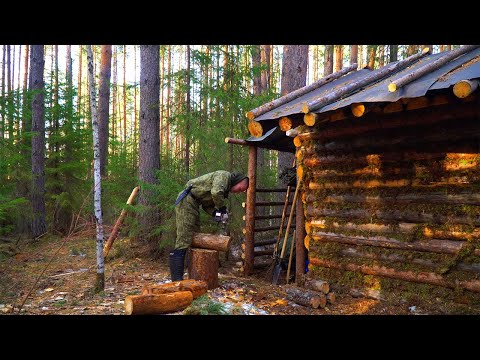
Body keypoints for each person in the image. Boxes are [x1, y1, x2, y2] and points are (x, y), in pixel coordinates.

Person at [169, 170, 249, 281]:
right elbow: (216, 193)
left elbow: (207, 205)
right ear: (237, 181)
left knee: (194, 238)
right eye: (240, 188)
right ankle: (176, 280)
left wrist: (217, 215)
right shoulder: (224, 176)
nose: (239, 191)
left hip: (194, 204)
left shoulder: (224, 188)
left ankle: (194, 277)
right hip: (187, 201)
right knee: (184, 238)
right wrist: (222, 209)